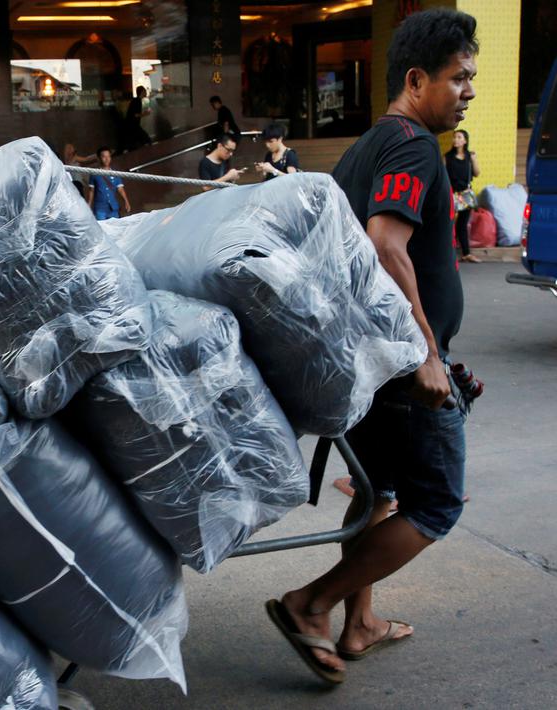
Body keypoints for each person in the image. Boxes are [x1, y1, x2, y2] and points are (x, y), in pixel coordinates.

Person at [266, 8, 477, 685]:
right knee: (436, 503)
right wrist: (426, 352)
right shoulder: (412, 146)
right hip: (397, 368)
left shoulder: (363, 148)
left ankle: (358, 623)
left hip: (363, 367)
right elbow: (387, 245)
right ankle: (312, 603)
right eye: (459, 78)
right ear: (416, 79)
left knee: (377, 488)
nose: (468, 91)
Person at [447, 128, 482, 262]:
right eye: (455, 137)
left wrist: (474, 159)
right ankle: (447, 253)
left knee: (462, 224)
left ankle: (466, 253)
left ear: (465, 141)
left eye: (459, 137)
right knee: (447, 223)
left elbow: (477, 173)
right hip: (451, 194)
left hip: (466, 195)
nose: (456, 140)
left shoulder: (469, 156)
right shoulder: (447, 157)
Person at [86, 146, 131, 220]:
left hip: (113, 208)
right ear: (99, 158)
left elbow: (120, 189)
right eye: (104, 157)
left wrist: (126, 201)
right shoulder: (94, 173)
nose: (107, 159)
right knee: (102, 228)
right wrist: (89, 206)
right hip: (100, 209)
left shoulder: (115, 173)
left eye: (108, 156)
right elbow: (91, 191)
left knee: (115, 228)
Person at [125, 85, 153, 151]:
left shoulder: (137, 101)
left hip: (133, 126)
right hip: (132, 126)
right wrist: (145, 114)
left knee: (137, 143)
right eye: (145, 91)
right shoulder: (137, 101)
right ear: (142, 92)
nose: (146, 93)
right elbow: (135, 115)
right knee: (146, 140)